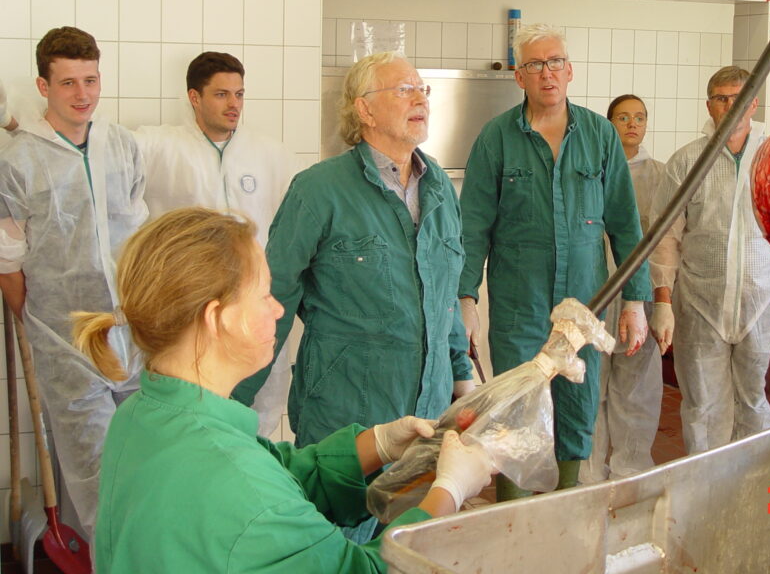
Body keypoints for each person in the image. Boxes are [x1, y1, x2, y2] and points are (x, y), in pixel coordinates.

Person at [73, 207, 495, 573]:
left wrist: (380, 445)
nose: (279, 310)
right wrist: (450, 492)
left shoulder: (143, 415)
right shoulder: (236, 481)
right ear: (217, 318)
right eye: (263, 295)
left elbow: (274, 473)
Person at [234, 51, 474, 447]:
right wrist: (230, 403)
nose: (420, 99)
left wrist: (463, 383)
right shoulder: (318, 190)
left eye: (422, 89)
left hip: (428, 418)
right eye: (403, 90)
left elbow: (443, 298)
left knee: (418, 511)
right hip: (345, 420)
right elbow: (271, 298)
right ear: (365, 109)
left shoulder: (440, 188)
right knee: (338, 511)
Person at [458, 23, 652, 500]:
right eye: (534, 65)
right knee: (512, 413)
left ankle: (565, 507)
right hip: (518, 310)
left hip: (586, 303)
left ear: (570, 71)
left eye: (555, 62)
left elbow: (625, 225)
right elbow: (473, 227)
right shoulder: (496, 139)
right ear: (519, 77)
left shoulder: (600, 136)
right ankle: (512, 516)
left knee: (576, 407)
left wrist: (636, 300)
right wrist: (464, 299)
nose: (547, 73)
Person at [0, 26, 148, 538]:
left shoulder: (123, 146)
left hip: (132, 329)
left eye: (90, 80)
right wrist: (42, 326)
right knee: (94, 466)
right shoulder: (18, 160)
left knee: (148, 451)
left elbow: (137, 229)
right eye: (68, 83)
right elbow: (9, 261)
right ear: (44, 87)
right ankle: (109, 558)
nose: (82, 94)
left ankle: (156, 555)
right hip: (65, 339)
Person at [133, 51, 296, 437]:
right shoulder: (161, 148)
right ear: (194, 97)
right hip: (190, 305)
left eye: (239, 95)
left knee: (262, 401)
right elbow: (99, 148)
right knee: (191, 404)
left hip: (253, 302)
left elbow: (296, 227)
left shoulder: (271, 154)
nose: (234, 105)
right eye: (222, 95)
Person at [651, 65, 770, 455]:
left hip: (764, 301)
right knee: (703, 406)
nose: (731, 106)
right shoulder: (687, 161)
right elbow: (665, 237)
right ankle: (705, 490)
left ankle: (754, 486)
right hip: (700, 304)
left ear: (754, 102)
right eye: (721, 98)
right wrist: (663, 302)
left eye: (738, 97)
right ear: (709, 105)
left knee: (757, 402)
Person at [580, 94, 673, 484]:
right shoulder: (591, 171)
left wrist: (661, 297)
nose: (632, 124)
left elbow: (666, 239)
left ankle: (631, 470)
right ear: (608, 123)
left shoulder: (661, 175)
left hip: (642, 292)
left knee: (637, 387)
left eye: (639, 117)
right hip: (596, 290)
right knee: (591, 385)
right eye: (623, 117)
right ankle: (587, 473)